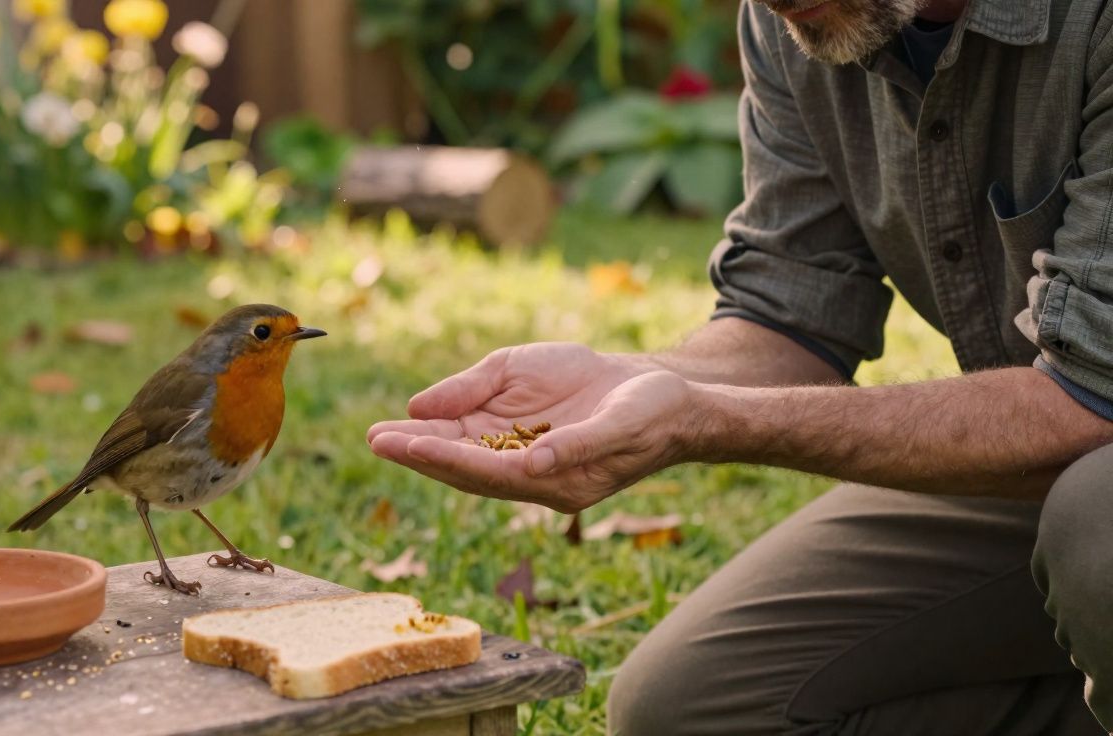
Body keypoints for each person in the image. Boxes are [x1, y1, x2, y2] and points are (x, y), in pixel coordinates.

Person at [367, 0, 1113, 732]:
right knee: (690, 706)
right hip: (1031, 472)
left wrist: (707, 419)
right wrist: (631, 381)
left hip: (1089, 468)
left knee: (1094, 526)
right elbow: (791, 309)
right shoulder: (793, 17)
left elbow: (1088, 403)